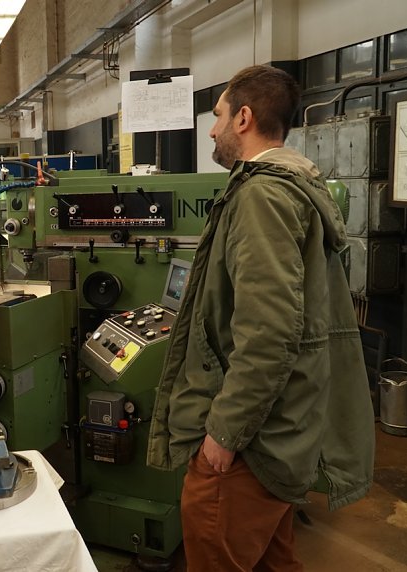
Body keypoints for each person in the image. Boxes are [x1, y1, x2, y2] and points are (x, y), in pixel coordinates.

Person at [146, 65, 375, 571]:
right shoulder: (292, 184)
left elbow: (269, 334)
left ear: (244, 118)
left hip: (253, 442)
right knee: (273, 560)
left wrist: (223, 436)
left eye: (219, 115)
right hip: (282, 428)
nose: (212, 128)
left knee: (214, 546)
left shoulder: (262, 196)